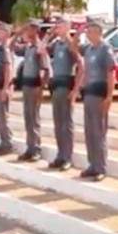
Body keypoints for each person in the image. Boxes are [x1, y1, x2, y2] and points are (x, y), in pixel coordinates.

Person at [44, 16, 83, 171]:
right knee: (58, 124)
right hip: (56, 86)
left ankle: (67, 157)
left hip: (66, 86)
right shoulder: (56, 44)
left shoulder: (70, 45)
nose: (57, 28)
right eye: (56, 25)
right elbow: (41, 49)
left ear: (67, 27)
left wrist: (76, 90)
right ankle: (60, 155)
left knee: (67, 124)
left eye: (60, 25)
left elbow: (81, 64)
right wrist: (49, 34)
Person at [79, 19, 116, 181]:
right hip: (88, 93)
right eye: (87, 32)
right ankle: (92, 164)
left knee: (99, 131)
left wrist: (109, 96)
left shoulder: (105, 49)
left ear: (99, 32)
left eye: (91, 31)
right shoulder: (88, 49)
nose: (88, 34)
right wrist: (77, 34)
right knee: (89, 132)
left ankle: (100, 167)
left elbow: (111, 73)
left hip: (100, 94)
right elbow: (74, 48)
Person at [11, 19, 50, 162]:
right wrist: (17, 34)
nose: (27, 32)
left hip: (34, 86)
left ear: (35, 31)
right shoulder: (28, 47)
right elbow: (11, 46)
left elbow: (45, 70)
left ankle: (36, 149)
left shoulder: (40, 48)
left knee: (34, 118)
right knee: (28, 118)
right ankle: (30, 147)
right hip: (26, 86)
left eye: (29, 29)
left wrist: (41, 88)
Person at [0, 21, 14, 155]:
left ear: (6, 34)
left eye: (0, 31)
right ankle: (3, 141)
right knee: (0, 116)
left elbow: (8, 69)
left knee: (3, 116)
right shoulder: (0, 48)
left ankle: (7, 143)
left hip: (3, 87)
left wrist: (5, 88)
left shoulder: (5, 49)